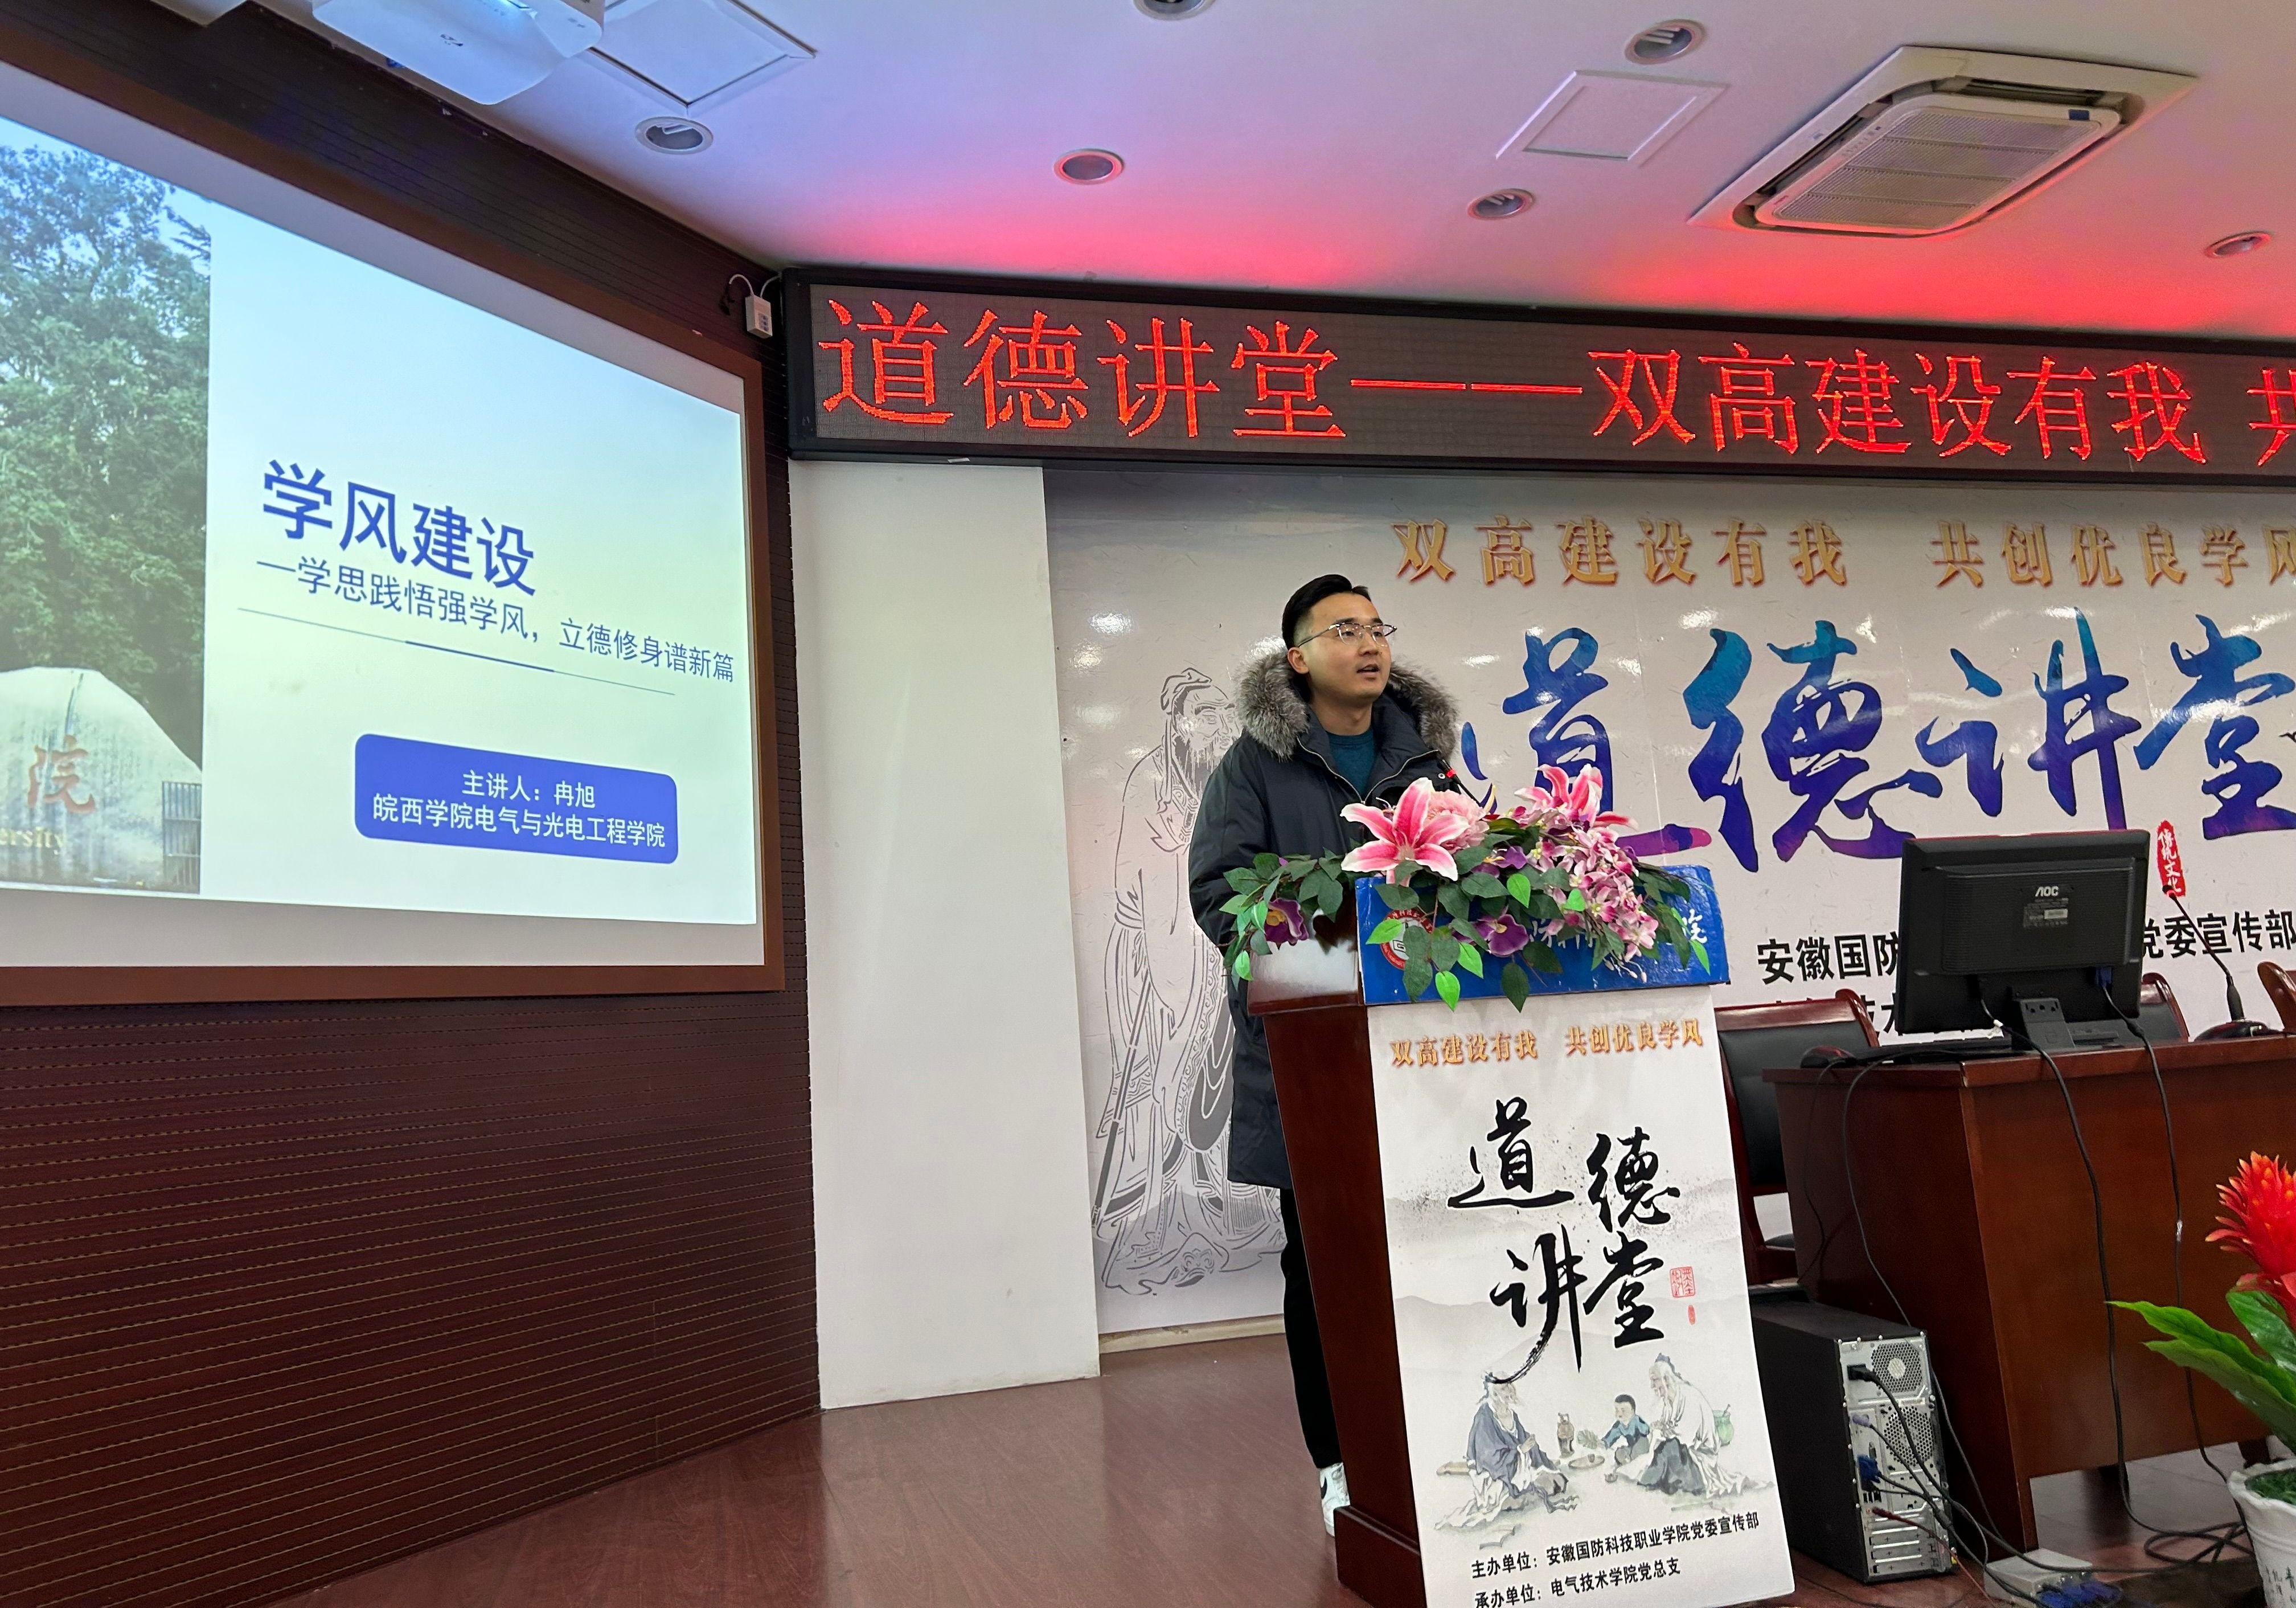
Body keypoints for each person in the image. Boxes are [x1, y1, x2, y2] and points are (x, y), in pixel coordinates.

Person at [1187, 573, 1459, 1536]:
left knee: (1437, 1243)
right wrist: (1340, 937)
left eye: (1376, 626)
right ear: (1297, 657)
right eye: (1343, 629)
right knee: (1325, 1264)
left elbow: (1472, 878)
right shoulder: (1254, 765)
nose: (1368, 642)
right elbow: (1221, 894)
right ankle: (1341, 1459)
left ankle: (1439, 1436)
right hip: (1311, 1055)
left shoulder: (1425, 760)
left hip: (1423, 1054)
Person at [1610, 1354, 1745, 1497]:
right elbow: (1668, 1425)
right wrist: (1659, 1427)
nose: (1652, 1386)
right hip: (1682, 1451)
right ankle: (1645, 1474)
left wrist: (1663, 1432)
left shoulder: (1689, 1396)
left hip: (1698, 1456)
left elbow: (1686, 1438)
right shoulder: (1669, 1400)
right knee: (1655, 1446)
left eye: (1655, 1380)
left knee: (1668, 1448)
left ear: (1666, 1379)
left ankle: (1646, 1480)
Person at [1446, 1378, 1570, 1529]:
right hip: (1495, 1475)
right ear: (1494, 1394)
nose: (1510, 1390)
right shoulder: (1484, 1417)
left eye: (1509, 1386)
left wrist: (1530, 1447)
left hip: (1517, 1468)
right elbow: (1488, 1457)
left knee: (1557, 1481)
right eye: (1504, 1388)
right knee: (1516, 1499)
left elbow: (1523, 1442)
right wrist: (1520, 1451)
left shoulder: (1512, 1415)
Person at [1603, 1393, 1653, 1464]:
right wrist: (1604, 1443)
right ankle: (1628, 1460)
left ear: (1632, 1411)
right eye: (1617, 1410)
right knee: (1619, 1452)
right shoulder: (1619, 1425)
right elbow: (1612, 1435)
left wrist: (1645, 1429)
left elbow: (1646, 1430)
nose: (1620, 1414)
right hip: (1631, 1448)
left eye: (1623, 1411)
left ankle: (1633, 1461)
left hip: (1641, 1446)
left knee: (1639, 1447)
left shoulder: (1636, 1420)